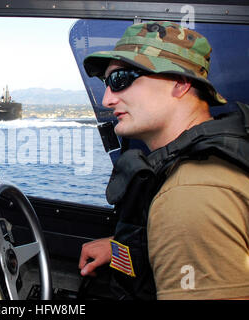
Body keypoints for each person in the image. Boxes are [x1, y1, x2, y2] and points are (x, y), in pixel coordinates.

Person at [78, 21, 249, 300]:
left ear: (180, 84)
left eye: (120, 80)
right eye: (106, 84)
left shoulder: (189, 195)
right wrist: (121, 248)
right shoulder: (213, 157)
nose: (107, 99)